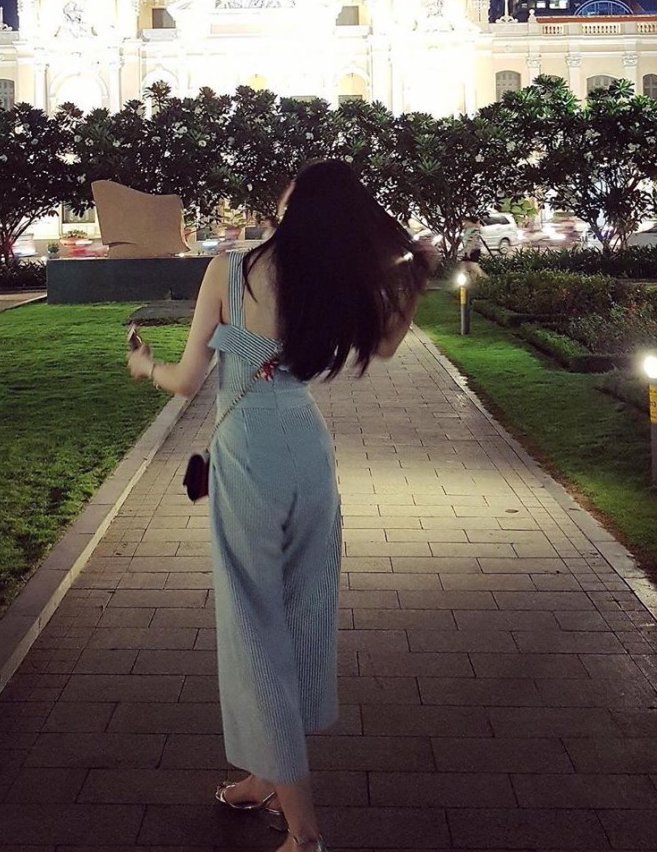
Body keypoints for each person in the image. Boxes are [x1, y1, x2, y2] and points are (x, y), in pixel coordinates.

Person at [127, 160, 436, 852]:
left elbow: (186, 380)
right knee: (298, 608)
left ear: (295, 204)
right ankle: (264, 775)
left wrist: (145, 365)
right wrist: (416, 279)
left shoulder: (231, 269)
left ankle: (304, 830)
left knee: (253, 626)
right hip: (308, 449)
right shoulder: (330, 279)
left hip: (249, 453)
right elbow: (387, 346)